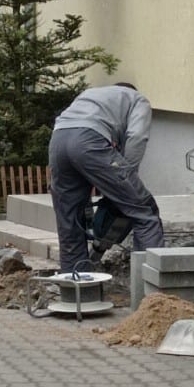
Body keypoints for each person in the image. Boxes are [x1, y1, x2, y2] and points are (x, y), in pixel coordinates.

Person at [48, 83, 165, 273]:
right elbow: (137, 137)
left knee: (70, 222)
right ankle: (150, 286)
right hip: (89, 140)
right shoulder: (137, 99)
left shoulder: (91, 95)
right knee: (144, 211)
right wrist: (126, 180)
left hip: (58, 141)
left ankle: (77, 287)